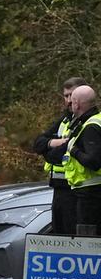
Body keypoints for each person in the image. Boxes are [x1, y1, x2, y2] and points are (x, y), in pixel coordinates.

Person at [62, 84, 101, 233]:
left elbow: (94, 162)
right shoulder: (97, 120)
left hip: (90, 195)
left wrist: (74, 150)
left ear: (77, 104)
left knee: (87, 240)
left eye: (72, 102)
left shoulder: (91, 126)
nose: (70, 105)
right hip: (93, 192)